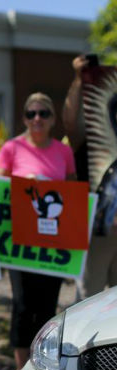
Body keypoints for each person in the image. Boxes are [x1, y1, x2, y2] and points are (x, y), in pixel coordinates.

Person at [0, 92, 76, 370]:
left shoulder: (63, 152)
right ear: (24, 119)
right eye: (31, 114)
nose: (37, 119)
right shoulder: (12, 148)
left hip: (52, 244)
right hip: (19, 242)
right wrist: (22, 182)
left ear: (53, 119)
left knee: (47, 306)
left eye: (43, 113)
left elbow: (73, 193)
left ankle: (41, 369)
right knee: (22, 304)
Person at [62, 54, 117, 299]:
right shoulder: (94, 142)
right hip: (96, 234)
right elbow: (70, 124)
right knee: (87, 303)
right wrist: (78, 78)